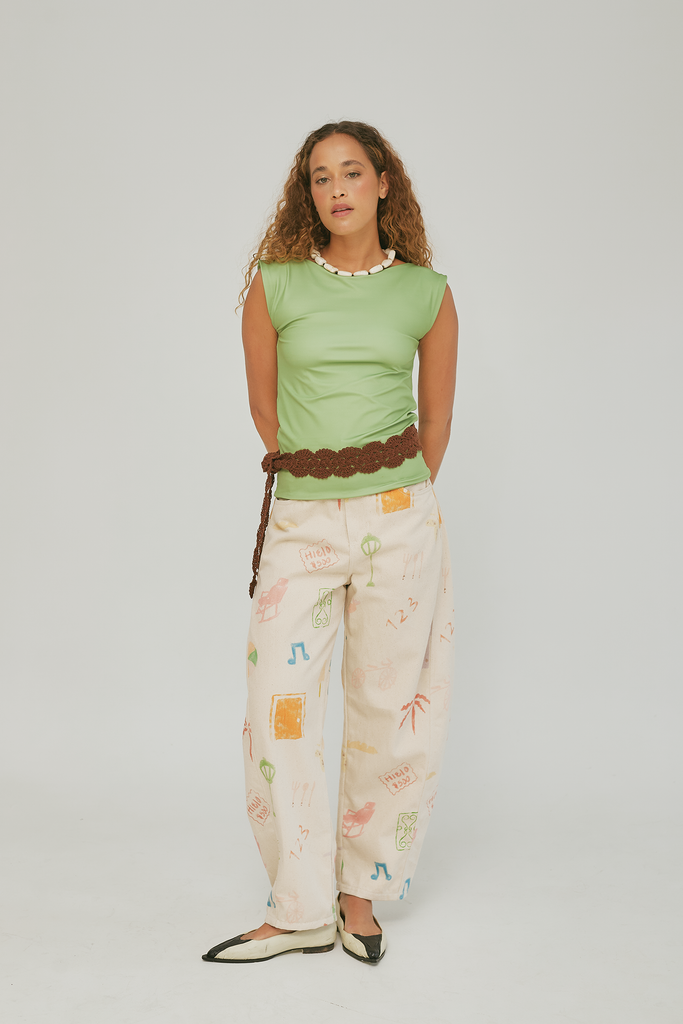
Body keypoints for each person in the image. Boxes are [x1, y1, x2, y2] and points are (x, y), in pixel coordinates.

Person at [202, 121, 458, 965]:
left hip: (399, 517)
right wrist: (323, 478)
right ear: (305, 193)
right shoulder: (274, 286)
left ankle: (358, 894)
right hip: (303, 516)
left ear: (383, 183)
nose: (336, 189)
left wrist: (394, 498)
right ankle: (300, 906)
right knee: (275, 706)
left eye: (351, 172)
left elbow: (436, 421)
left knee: (388, 710)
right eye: (319, 177)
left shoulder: (426, 292)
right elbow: (264, 407)